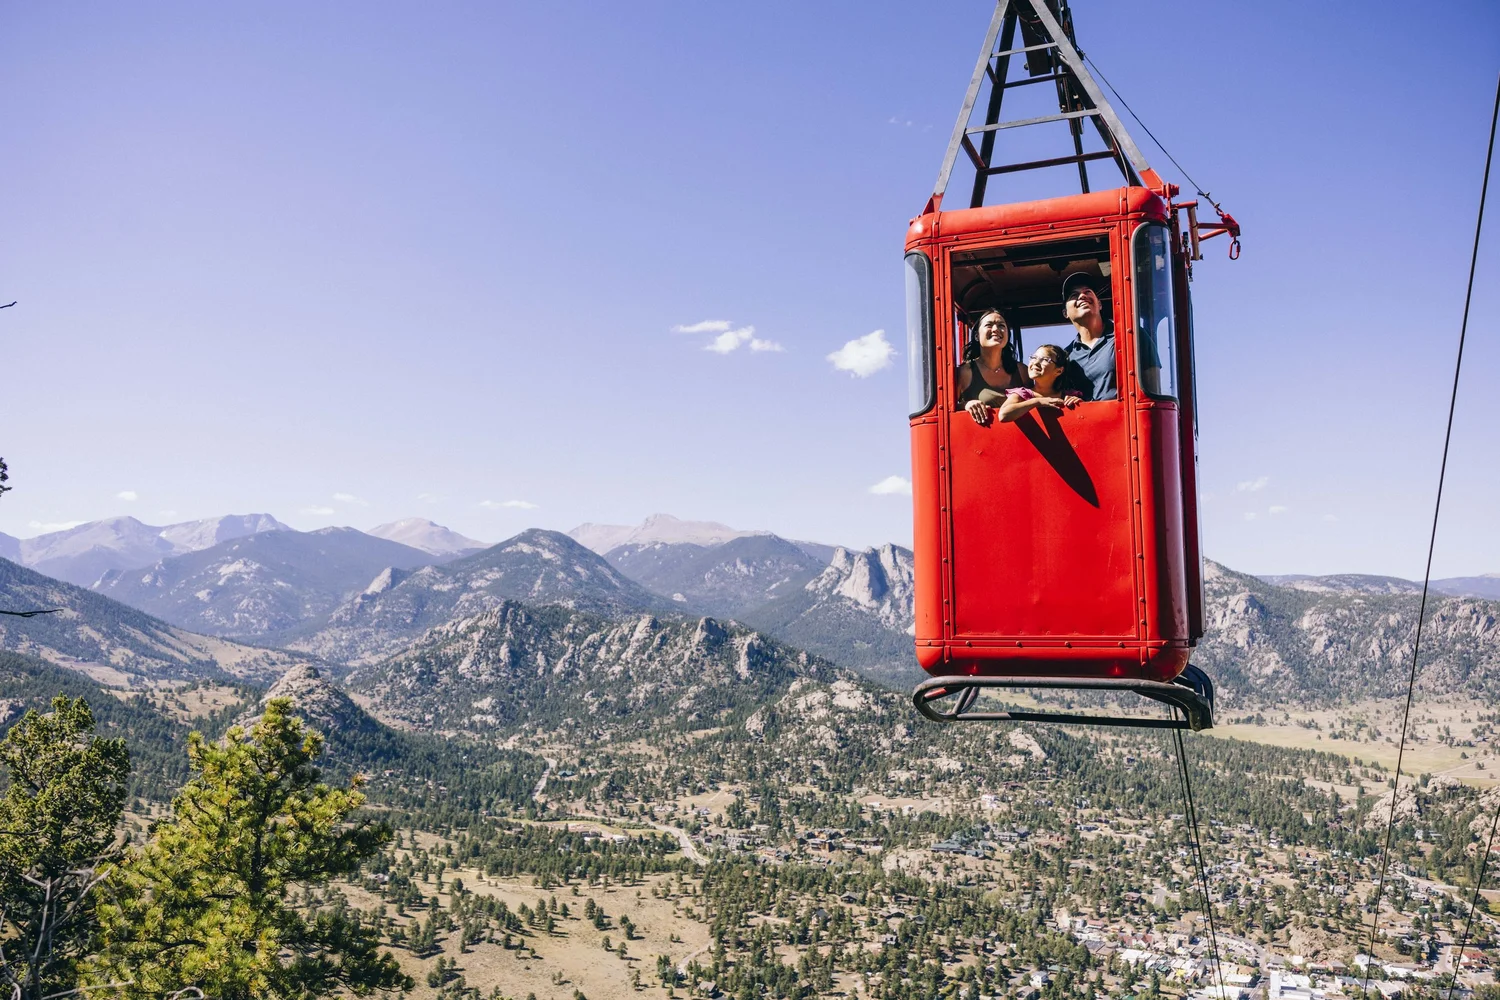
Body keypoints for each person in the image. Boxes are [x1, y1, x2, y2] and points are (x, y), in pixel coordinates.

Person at [955, 308, 1028, 426]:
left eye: (1001, 326)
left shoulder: (1021, 371)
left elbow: (1036, 398)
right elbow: (947, 409)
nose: (996, 329)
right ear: (977, 336)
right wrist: (966, 404)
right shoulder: (965, 372)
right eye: (989, 325)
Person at [1059, 272, 1117, 401]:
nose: (1082, 296)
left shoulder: (1127, 337)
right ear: (1065, 313)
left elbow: (1151, 386)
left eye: (1088, 292)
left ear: (1100, 304)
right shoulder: (1066, 356)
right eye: (1074, 295)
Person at [997, 344, 1082, 422]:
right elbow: (1003, 415)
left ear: (1059, 371)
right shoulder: (1023, 394)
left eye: (1045, 359)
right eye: (1034, 358)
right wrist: (1037, 402)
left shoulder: (1067, 396)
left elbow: (1084, 417)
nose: (1036, 363)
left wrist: (1080, 404)